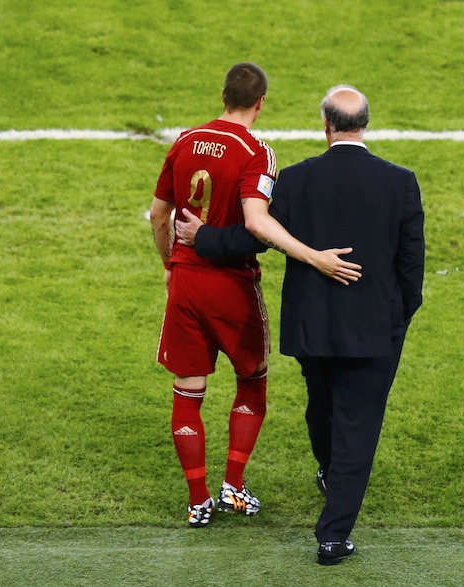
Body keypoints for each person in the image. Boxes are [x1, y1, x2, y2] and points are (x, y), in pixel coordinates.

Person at [176, 85, 425, 564]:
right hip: (375, 332)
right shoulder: (401, 181)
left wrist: (201, 236)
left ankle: (331, 477)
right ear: (365, 124)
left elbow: (254, 236)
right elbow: (410, 264)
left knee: (322, 411)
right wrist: (397, 320)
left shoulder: (297, 179)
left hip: (314, 330)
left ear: (326, 126)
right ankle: (333, 537)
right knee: (358, 427)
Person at [150, 64, 362, 530]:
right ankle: (234, 486)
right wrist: (313, 256)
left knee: (188, 392)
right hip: (231, 286)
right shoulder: (257, 152)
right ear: (260, 102)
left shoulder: (185, 141)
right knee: (251, 379)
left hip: (185, 282)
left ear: (222, 94)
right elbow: (257, 223)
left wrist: (170, 264)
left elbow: (158, 215)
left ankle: (198, 501)